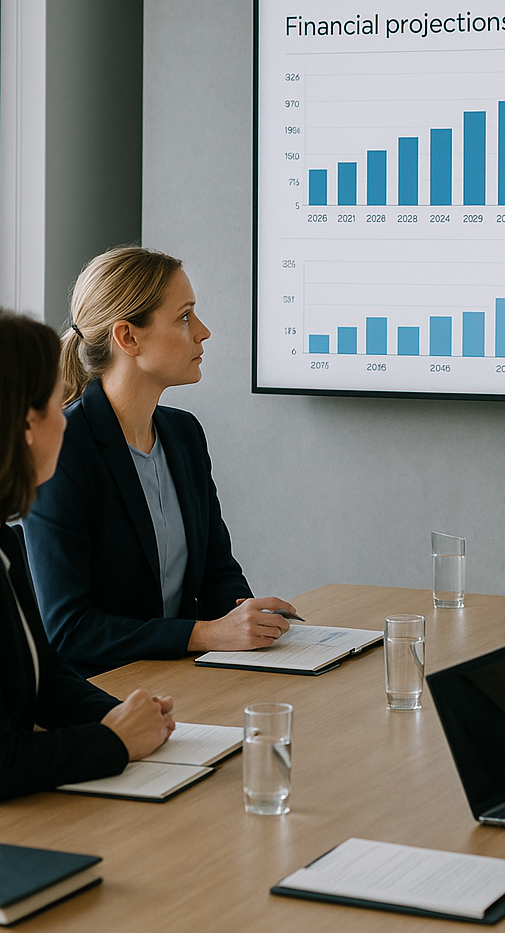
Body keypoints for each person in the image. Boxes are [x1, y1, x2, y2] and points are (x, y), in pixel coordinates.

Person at [0, 307, 175, 804]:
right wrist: (114, 740)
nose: (68, 420)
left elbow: (45, 677)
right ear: (25, 425)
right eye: (59, 406)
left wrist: (126, 715)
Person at [22, 247, 298, 676]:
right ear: (128, 337)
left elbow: (216, 572)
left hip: (181, 678)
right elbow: (70, 629)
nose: (203, 332)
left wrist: (244, 614)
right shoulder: (65, 448)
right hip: (105, 694)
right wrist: (206, 634)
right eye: (185, 316)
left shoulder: (184, 434)